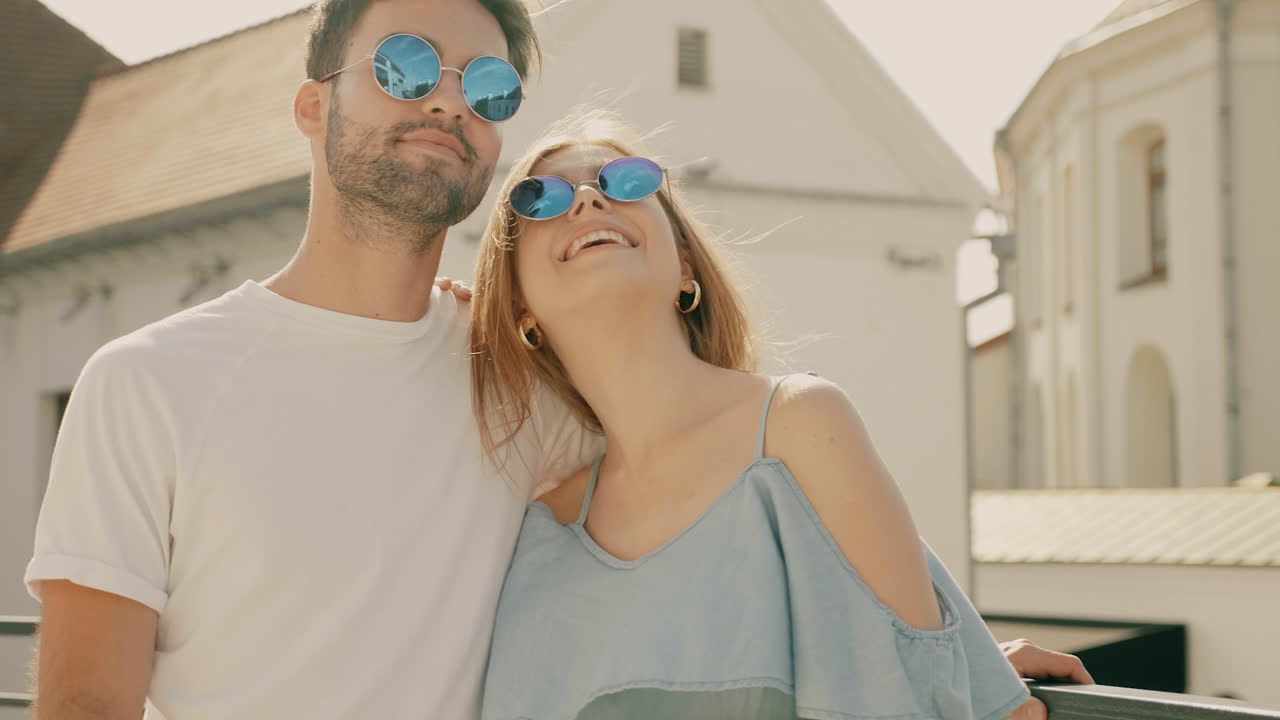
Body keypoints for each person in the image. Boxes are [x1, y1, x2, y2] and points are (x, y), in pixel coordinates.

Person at [24, 0, 1086, 717]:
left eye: (486, 87)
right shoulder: (149, 382)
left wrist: (958, 647)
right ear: (313, 106)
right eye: (402, 67)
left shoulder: (528, 395)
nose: (446, 99)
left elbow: (727, 471)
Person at [470, 112, 1092, 720]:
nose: (584, 200)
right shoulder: (543, 537)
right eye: (540, 198)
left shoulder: (798, 427)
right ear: (519, 304)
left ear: (685, 266)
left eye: (626, 181)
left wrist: (967, 665)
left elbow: (916, 687)